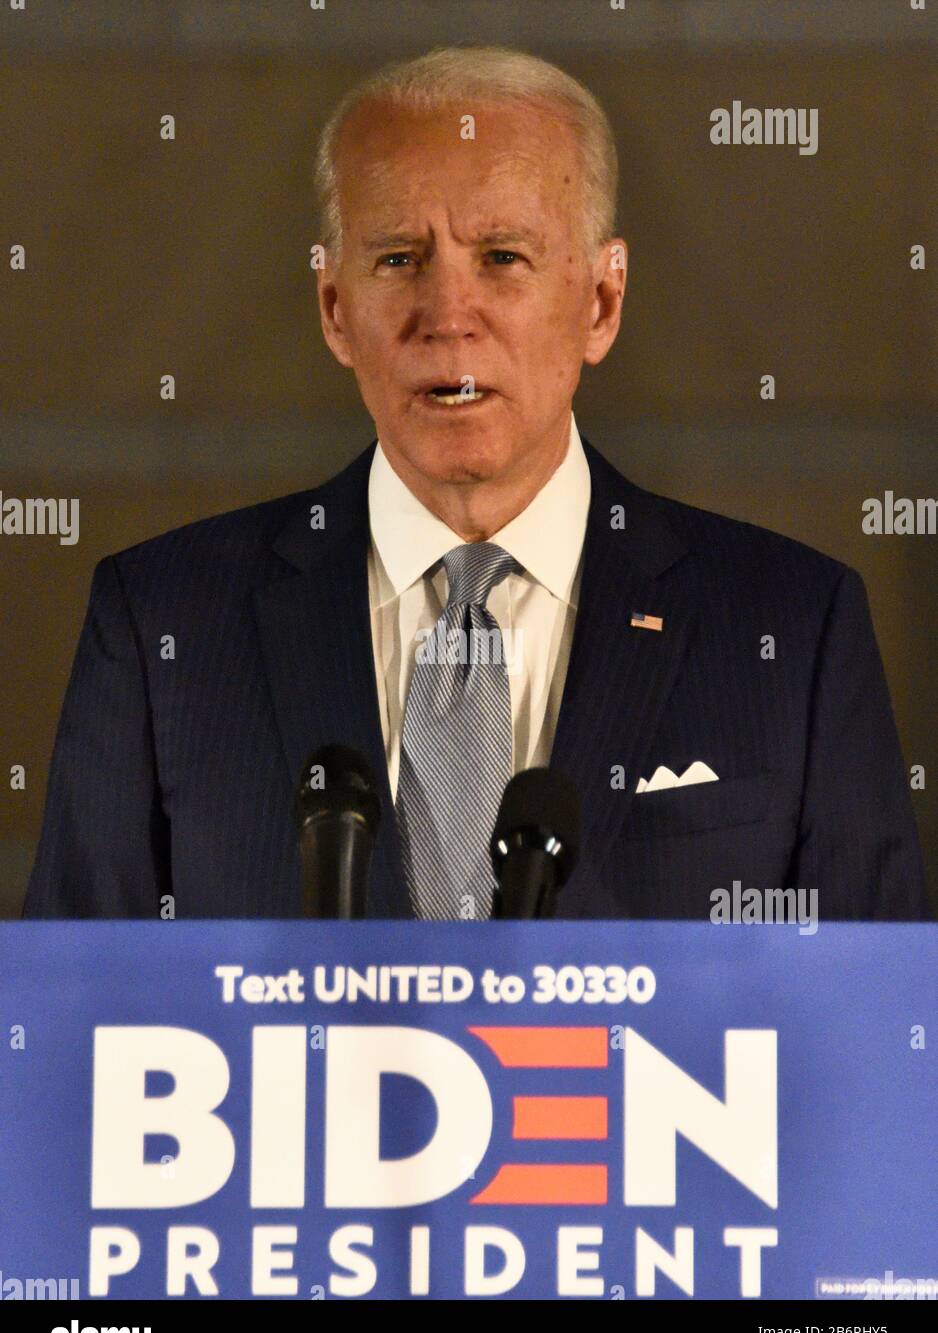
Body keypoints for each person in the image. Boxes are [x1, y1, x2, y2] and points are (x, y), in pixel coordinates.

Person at [23, 46, 931, 922]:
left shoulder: (794, 629)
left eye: (502, 257)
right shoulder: (160, 626)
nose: (448, 317)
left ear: (602, 304)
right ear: (335, 310)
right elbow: (74, 1032)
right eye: (396, 259)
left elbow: (874, 1040)